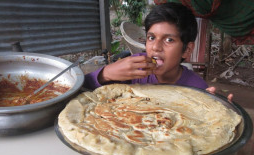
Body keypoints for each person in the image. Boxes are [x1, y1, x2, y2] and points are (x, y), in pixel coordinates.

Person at [83, 2, 233, 100]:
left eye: (169, 40)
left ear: (187, 50)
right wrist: (106, 73)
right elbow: (83, 88)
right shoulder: (133, 68)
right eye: (151, 37)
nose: (155, 47)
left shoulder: (196, 88)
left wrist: (221, 107)